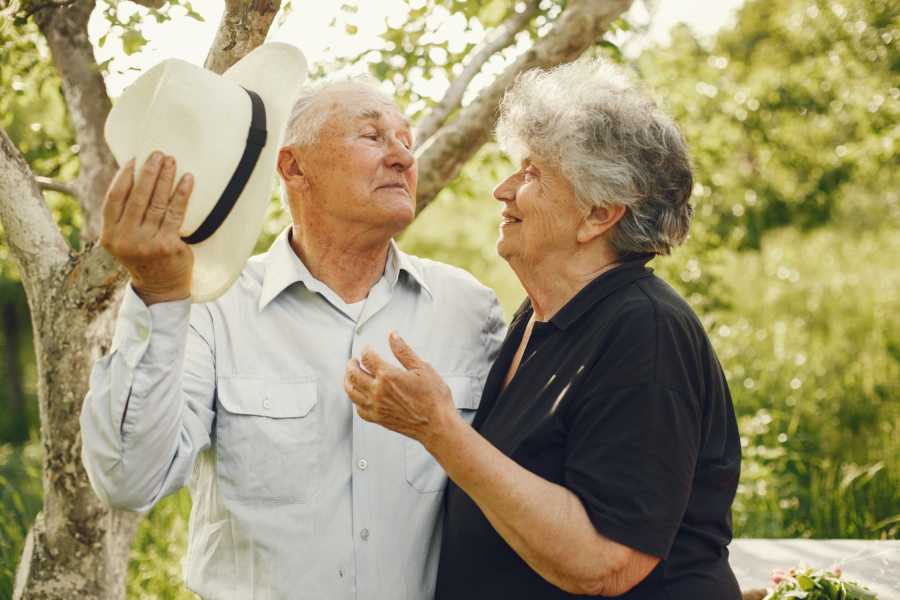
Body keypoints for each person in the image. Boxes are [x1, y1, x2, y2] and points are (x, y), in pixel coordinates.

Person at [80, 76, 505, 599]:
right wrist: (156, 293)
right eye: (372, 136)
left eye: (406, 140)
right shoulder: (211, 308)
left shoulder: (470, 309)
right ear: (293, 166)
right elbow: (128, 481)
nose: (402, 158)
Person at [345, 58, 742, 599]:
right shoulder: (540, 315)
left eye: (531, 173)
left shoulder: (645, 331)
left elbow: (605, 563)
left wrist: (439, 428)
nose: (502, 190)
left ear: (599, 214)